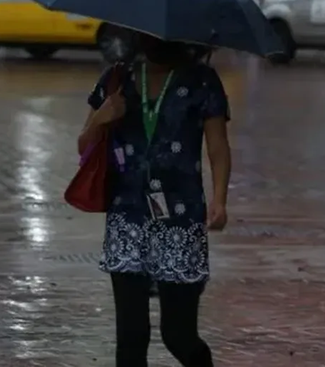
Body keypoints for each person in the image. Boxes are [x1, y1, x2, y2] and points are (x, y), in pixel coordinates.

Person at [78, 35, 231, 367]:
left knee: (178, 335)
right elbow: (84, 146)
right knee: (131, 337)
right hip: (127, 219)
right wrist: (102, 117)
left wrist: (219, 199)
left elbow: (217, 146)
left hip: (181, 219)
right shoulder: (117, 80)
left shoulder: (201, 80)